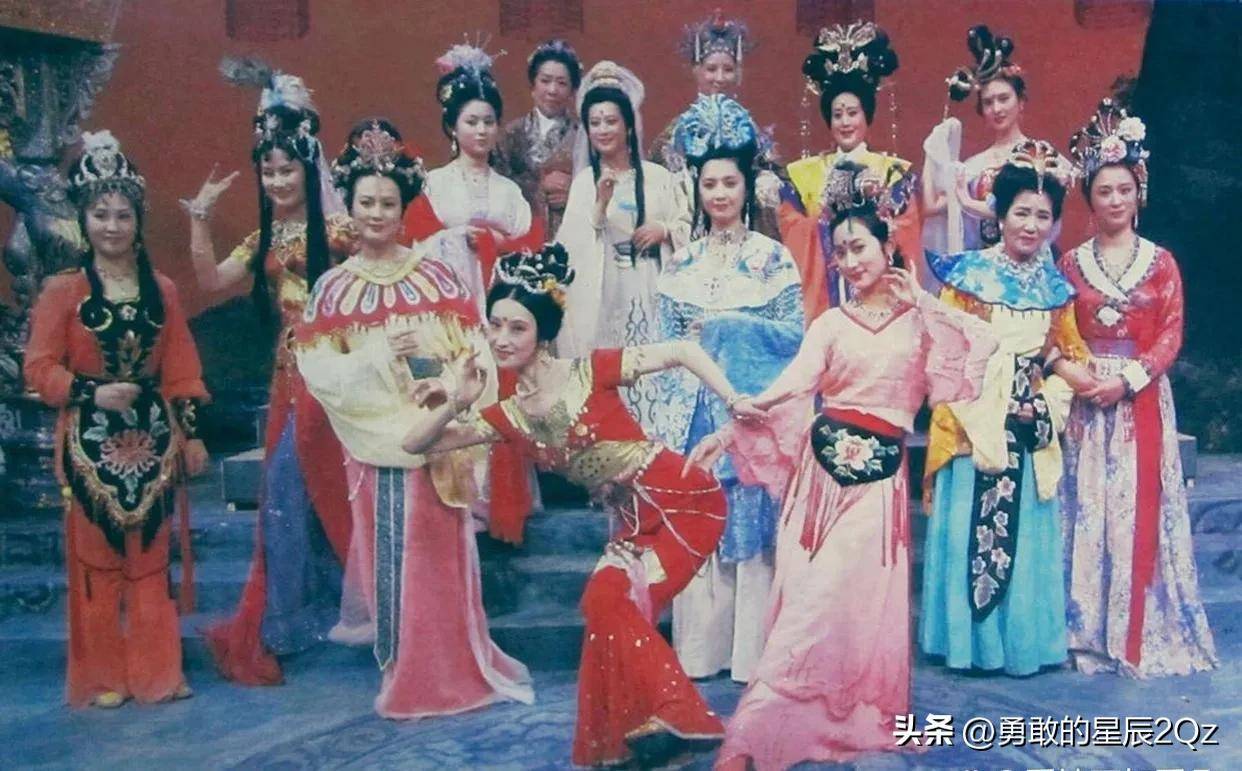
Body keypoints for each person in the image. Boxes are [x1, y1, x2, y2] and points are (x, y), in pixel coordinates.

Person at [400, 243, 762, 767]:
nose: (502, 339)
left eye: (517, 328)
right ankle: (643, 738)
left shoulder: (590, 371)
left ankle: (683, 718)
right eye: (495, 325)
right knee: (601, 601)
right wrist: (457, 399)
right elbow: (418, 444)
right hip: (633, 526)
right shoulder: (509, 416)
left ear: (543, 334)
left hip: (685, 505)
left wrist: (734, 400)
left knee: (615, 604)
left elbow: (683, 351)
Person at [694, 163, 996, 769]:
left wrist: (924, 302)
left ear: (888, 246)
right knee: (809, 597)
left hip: (879, 483)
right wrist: (737, 420)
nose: (851, 261)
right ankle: (762, 725)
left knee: (852, 601)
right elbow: (795, 384)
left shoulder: (921, 322)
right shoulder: (831, 323)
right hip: (821, 476)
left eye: (860, 247)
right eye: (841, 252)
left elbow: (979, 349)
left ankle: (844, 713)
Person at [295, 119, 534, 719]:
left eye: (387, 203)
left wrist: (448, 390)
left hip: (438, 435)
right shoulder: (333, 289)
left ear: (404, 208)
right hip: (375, 442)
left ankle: (454, 667)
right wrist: (379, 356)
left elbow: (472, 352)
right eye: (366, 203)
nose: (377, 214)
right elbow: (321, 372)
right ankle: (404, 671)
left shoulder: (435, 274)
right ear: (350, 208)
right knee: (391, 560)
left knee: (440, 555)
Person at [25, 131, 209, 708]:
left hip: (153, 440)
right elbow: (38, 367)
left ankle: (158, 675)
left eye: (122, 214)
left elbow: (180, 365)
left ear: (138, 220)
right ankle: (105, 677)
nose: (112, 226)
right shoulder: (63, 292)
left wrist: (192, 436)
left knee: (150, 560)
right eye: (100, 214)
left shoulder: (163, 290)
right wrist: (89, 393)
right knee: (98, 563)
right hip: (90, 443)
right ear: (84, 220)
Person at [187, 62, 356, 686]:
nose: (279, 180)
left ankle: (351, 607)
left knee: (335, 488)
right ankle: (292, 619)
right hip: (289, 378)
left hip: (339, 374)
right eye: (269, 172)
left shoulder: (340, 230)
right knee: (285, 494)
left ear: (309, 170)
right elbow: (211, 281)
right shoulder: (262, 238)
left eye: (288, 169)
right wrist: (200, 218)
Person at [1059, 99, 1218, 676]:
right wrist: (1077, 375)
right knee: (1088, 510)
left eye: (1124, 189)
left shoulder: (1161, 263)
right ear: (1089, 197)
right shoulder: (1070, 265)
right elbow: (1057, 329)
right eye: (1104, 190)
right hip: (1085, 402)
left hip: (1140, 400)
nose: (1115, 200)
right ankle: (1084, 631)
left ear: (1139, 192)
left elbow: (1171, 332)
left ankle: (1139, 628)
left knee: (1135, 512)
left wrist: (1127, 380)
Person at [919, 141, 1090, 676]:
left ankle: (1020, 647)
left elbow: (1071, 352)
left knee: (1023, 538)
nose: (1031, 226)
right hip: (975, 426)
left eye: (1043, 215)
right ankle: (970, 647)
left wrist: (1045, 398)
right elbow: (943, 352)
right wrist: (986, 400)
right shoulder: (967, 277)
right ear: (998, 213)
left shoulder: (1056, 288)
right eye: (1021, 212)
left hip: (1028, 424)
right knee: (970, 533)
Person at [648, 95, 803, 683]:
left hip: (749, 412)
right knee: (699, 524)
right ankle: (699, 651)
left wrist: (729, 328)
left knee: (750, 529)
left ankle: (750, 655)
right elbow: (664, 347)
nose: (719, 194)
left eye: (729, 182)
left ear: (747, 185)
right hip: (690, 412)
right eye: (709, 183)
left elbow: (795, 338)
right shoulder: (680, 264)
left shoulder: (773, 260)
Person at [405, 42, 542, 543]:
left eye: (489, 121)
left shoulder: (509, 191)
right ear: (452, 127)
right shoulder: (434, 185)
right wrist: (452, 239)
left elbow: (531, 248)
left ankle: (496, 505)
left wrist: (495, 244)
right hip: (449, 317)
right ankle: (457, 502)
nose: (481, 130)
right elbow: (413, 247)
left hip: (497, 313)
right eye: (471, 121)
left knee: (496, 400)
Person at [556, 61, 692, 429]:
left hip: (649, 283)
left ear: (628, 125)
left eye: (611, 121)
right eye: (595, 122)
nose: (603, 129)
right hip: (605, 292)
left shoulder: (658, 177)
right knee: (610, 366)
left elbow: (688, 226)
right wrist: (599, 207)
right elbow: (570, 248)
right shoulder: (584, 183)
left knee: (652, 368)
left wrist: (664, 230)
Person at [777, 21, 922, 319]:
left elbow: (906, 234)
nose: (845, 122)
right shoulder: (802, 174)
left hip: (882, 299)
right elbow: (792, 230)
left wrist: (876, 220)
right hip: (821, 301)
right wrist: (825, 223)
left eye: (853, 113)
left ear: (866, 116)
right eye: (837, 114)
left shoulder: (894, 172)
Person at [923, 25, 1033, 258]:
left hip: (1030, 265)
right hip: (983, 267)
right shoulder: (973, 166)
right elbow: (931, 206)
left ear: (1021, 102)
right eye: (988, 102)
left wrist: (970, 204)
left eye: (1004, 99)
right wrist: (932, 150)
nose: (997, 109)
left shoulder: (1039, 155)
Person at [495, 39, 582, 237]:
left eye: (562, 83)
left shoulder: (584, 136)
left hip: (570, 231)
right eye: (545, 81)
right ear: (532, 85)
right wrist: (538, 188)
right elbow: (497, 187)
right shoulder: (511, 134)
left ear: (572, 91)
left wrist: (576, 193)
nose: (552, 90)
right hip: (521, 232)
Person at [648, 12, 753, 172]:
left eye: (728, 70)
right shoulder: (678, 129)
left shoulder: (748, 127)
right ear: (697, 70)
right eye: (711, 69)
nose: (720, 78)